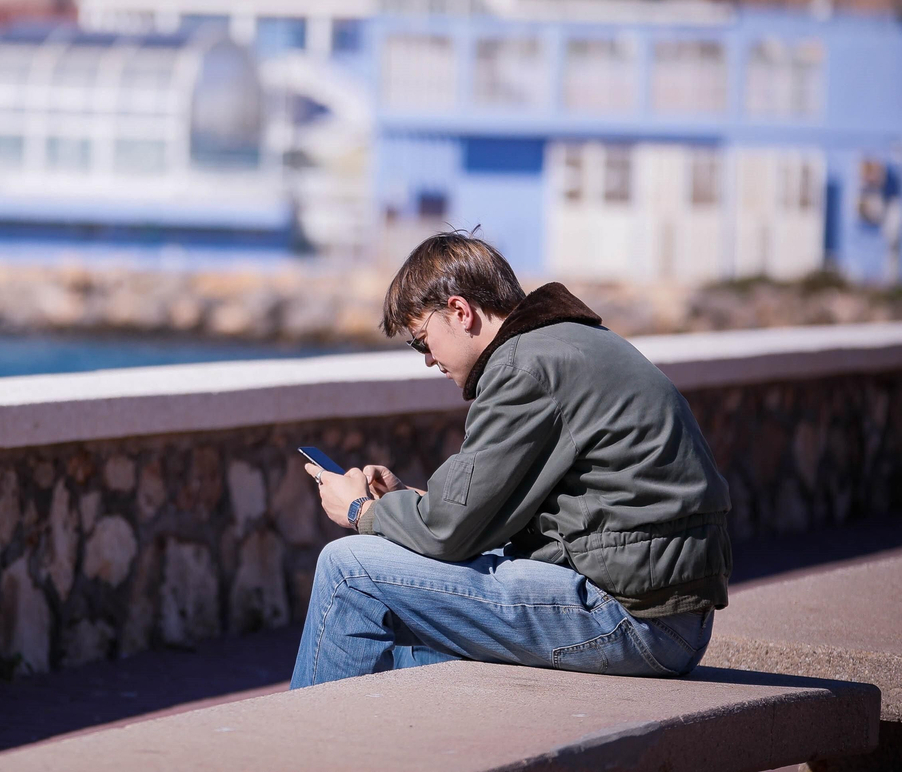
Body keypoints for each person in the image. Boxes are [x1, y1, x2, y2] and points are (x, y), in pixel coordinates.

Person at [291, 231, 731, 688]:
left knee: (347, 570)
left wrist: (363, 511)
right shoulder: (570, 341)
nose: (427, 361)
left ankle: (299, 751)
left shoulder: (522, 367)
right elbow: (486, 514)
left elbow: (449, 532)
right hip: (673, 614)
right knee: (402, 636)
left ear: (460, 312)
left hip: (631, 621)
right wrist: (407, 501)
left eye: (423, 341)